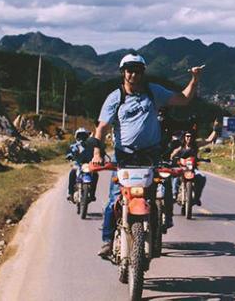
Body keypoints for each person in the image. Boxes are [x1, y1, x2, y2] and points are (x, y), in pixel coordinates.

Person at [89, 53, 204, 258]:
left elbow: (183, 99)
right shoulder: (115, 97)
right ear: (123, 73)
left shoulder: (154, 92)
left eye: (138, 70)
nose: (133, 74)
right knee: (115, 199)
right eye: (130, 70)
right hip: (123, 156)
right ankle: (107, 241)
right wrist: (97, 152)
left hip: (150, 155)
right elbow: (103, 128)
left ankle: (154, 234)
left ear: (143, 73)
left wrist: (194, 79)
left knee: (151, 198)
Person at [170, 131, 207, 207]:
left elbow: (209, 140)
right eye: (187, 136)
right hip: (182, 168)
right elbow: (172, 154)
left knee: (202, 177)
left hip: (193, 169)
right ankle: (174, 194)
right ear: (184, 137)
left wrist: (215, 129)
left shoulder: (195, 146)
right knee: (175, 177)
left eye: (190, 136)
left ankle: (197, 197)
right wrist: (172, 157)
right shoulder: (181, 147)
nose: (188, 138)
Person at [66, 127, 98, 202]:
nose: (82, 138)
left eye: (84, 136)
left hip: (89, 165)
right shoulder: (75, 146)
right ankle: (70, 193)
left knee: (95, 175)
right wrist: (70, 155)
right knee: (72, 172)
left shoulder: (92, 146)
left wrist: (100, 157)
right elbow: (71, 151)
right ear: (77, 137)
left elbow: (98, 153)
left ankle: (92, 194)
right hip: (78, 164)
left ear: (87, 137)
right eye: (80, 136)